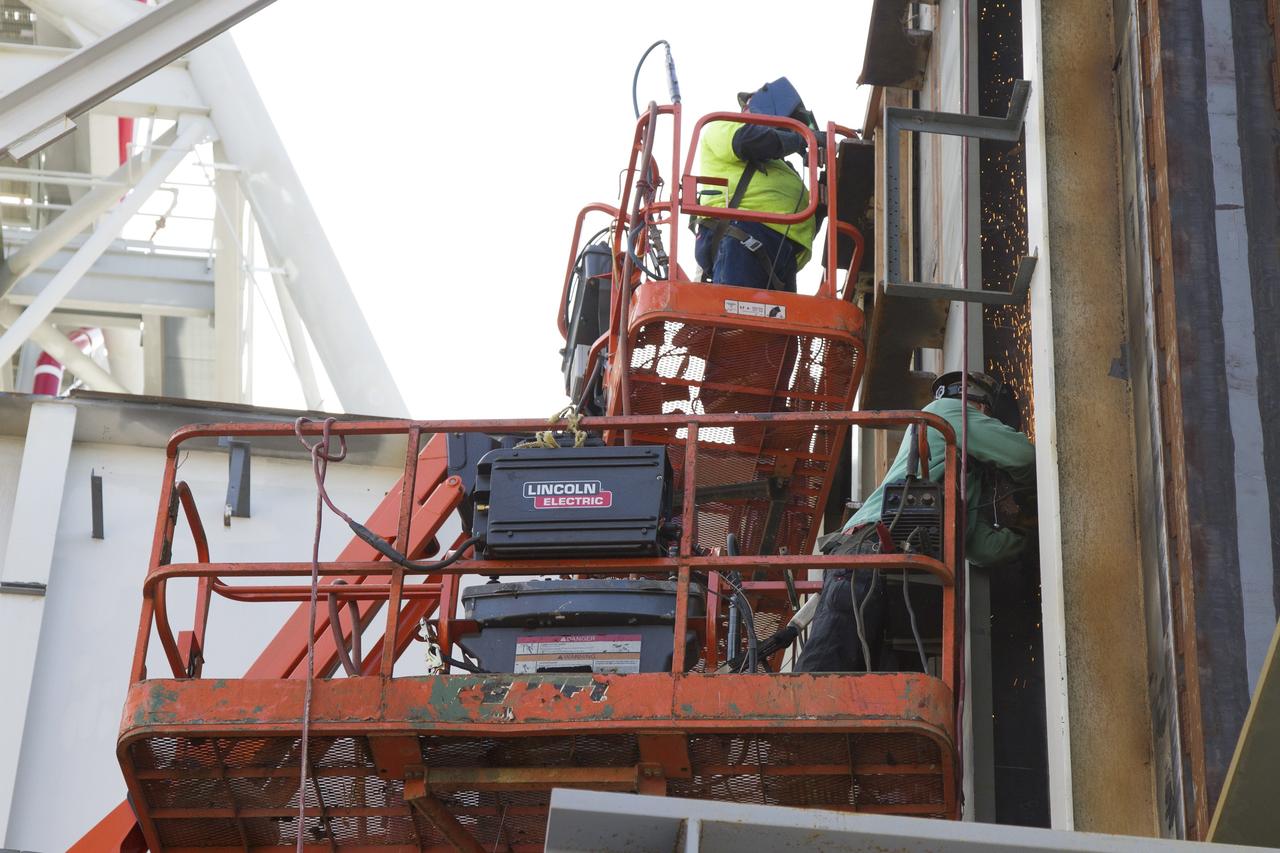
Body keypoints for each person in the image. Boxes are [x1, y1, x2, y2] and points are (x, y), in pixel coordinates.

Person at [795, 371, 1036, 674]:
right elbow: (1023, 457)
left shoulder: (961, 476)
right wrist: (1032, 493)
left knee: (880, 696)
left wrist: (1029, 534)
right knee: (826, 667)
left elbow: (981, 547)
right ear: (982, 407)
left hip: (901, 574)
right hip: (868, 548)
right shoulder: (944, 412)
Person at [693, 77, 820, 293]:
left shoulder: (783, 168)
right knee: (735, 321)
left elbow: (806, 216)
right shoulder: (723, 125)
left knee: (771, 327)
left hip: (782, 258)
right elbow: (747, 141)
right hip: (741, 238)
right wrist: (804, 140)